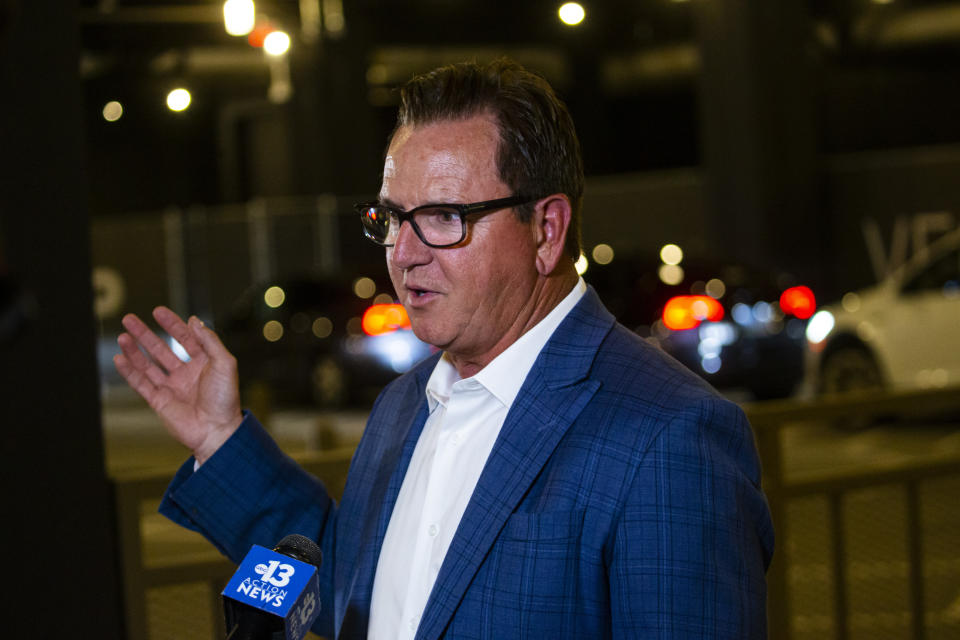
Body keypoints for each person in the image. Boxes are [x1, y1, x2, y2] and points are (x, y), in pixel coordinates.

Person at [115, 58, 774, 639]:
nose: (403, 255)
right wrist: (221, 441)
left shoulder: (672, 437)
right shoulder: (405, 404)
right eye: (391, 219)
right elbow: (342, 589)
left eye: (442, 219)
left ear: (547, 230)